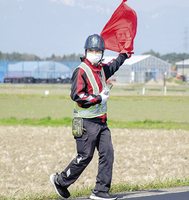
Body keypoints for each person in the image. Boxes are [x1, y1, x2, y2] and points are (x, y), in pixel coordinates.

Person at [50, 34, 130, 200]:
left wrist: (124, 54)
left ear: (102, 53)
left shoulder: (101, 69)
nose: (95, 53)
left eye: (98, 50)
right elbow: (77, 95)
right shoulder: (81, 71)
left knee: (107, 154)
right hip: (84, 122)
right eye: (92, 50)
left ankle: (100, 191)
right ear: (86, 52)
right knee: (85, 156)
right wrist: (99, 98)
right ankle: (60, 181)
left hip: (101, 122)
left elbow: (114, 65)